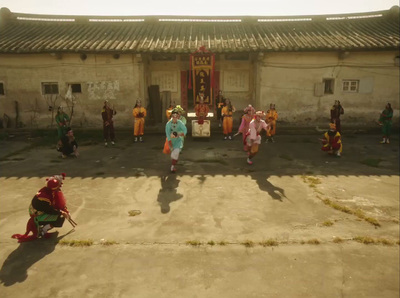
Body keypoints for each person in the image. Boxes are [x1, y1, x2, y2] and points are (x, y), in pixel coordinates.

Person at [11, 173, 73, 242]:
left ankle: (43, 227)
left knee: (60, 214)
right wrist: (62, 212)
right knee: (59, 218)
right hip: (37, 215)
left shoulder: (47, 190)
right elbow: (50, 210)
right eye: (58, 187)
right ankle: (43, 230)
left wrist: (64, 208)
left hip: (41, 210)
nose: (59, 188)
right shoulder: (44, 198)